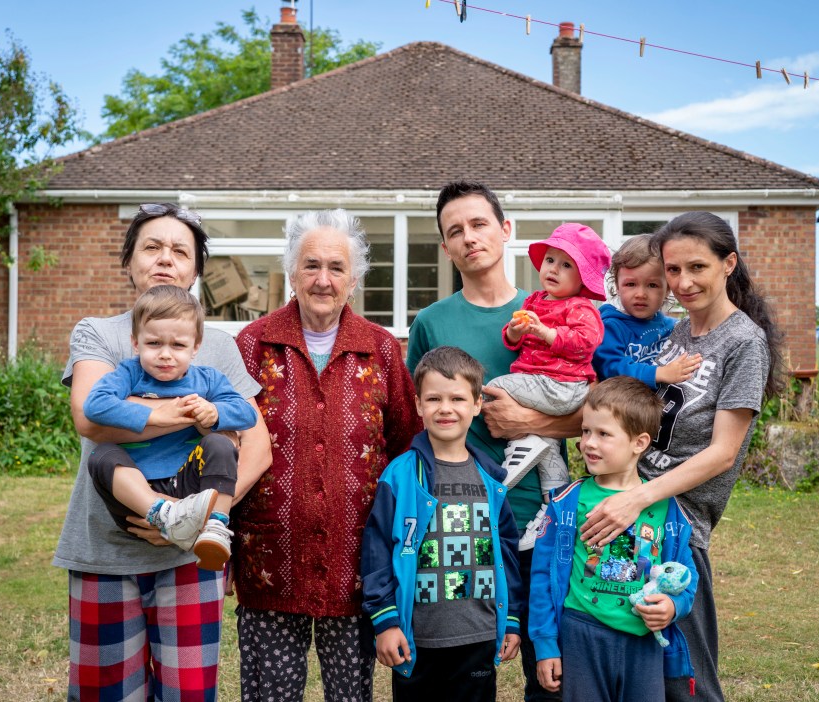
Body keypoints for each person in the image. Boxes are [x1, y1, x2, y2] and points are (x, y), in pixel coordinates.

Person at [54, 202, 272, 701]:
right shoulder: (101, 333)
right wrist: (189, 412)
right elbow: (90, 417)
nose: (165, 258)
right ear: (128, 261)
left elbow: (256, 443)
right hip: (103, 549)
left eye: (180, 250)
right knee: (103, 693)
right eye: (151, 247)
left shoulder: (216, 345)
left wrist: (198, 517)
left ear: (196, 268)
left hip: (189, 556)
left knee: (188, 693)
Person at [579, 212, 783, 702]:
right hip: (624, 511)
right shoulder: (670, 336)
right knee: (627, 668)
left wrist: (636, 498)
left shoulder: (743, 343)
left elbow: (722, 453)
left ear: (728, 263)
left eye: (697, 267)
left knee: (684, 678)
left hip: (676, 527)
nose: (682, 282)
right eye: (672, 270)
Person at [232, 208, 423, 701]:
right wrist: (223, 552)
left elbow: (405, 447)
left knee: (350, 696)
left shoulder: (381, 350)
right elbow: (227, 450)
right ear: (291, 272)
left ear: (353, 278)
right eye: (310, 266)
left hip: (356, 567)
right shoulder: (252, 345)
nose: (323, 280)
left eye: (336, 268)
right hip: (268, 562)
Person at [406, 180, 573, 701]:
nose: (469, 237)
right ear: (445, 247)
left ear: (505, 230)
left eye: (479, 224)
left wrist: (530, 421)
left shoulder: (552, 311)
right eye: (455, 231)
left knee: (549, 674)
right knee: (465, 677)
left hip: (544, 516)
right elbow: (420, 420)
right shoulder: (432, 324)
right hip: (461, 525)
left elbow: (599, 410)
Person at [361, 346, 523, 701]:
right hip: (417, 639)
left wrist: (511, 619)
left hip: (478, 635)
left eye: (458, 398)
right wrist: (385, 621)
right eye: (433, 398)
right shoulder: (401, 476)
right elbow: (376, 552)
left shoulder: (491, 480)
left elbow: (506, 551)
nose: (445, 408)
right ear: (418, 405)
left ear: (477, 404)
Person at [529, 377, 698, 701]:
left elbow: (686, 574)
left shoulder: (666, 507)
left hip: (644, 642)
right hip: (582, 635)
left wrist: (673, 605)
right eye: (586, 431)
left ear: (639, 442)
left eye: (603, 434)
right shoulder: (567, 502)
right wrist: (546, 643)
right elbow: (541, 576)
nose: (588, 443)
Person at [83, 284, 258, 571]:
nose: (165, 354)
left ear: (195, 347)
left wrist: (214, 412)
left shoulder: (208, 380)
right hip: (136, 497)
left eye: (177, 345)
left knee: (221, 444)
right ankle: (166, 516)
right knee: (102, 455)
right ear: (136, 343)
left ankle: (216, 526)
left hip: (187, 486)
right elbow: (95, 405)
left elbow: (246, 414)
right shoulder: (130, 373)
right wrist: (157, 415)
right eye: (154, 344)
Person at [487, 222, 609, 507]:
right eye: (551, 260)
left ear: (583, 279)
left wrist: (546, 333)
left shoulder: (580, 308)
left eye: (566, 265)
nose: (553, 268)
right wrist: (516, 331)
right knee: (548, 444)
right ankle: (553, 502)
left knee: (493, 388)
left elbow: (585, 343)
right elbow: (512, 336)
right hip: (542, 385)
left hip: (561, 386)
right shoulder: (534, 300)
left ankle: (520, 443)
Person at [592, 234, 702, 386]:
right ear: (617, 286)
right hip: (620, 404)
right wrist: (658, 373)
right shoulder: (610, 326)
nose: (640, 294)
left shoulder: (676, 328)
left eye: (652, 285)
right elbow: (611, 367)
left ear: (667, 289)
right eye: (630, 284)